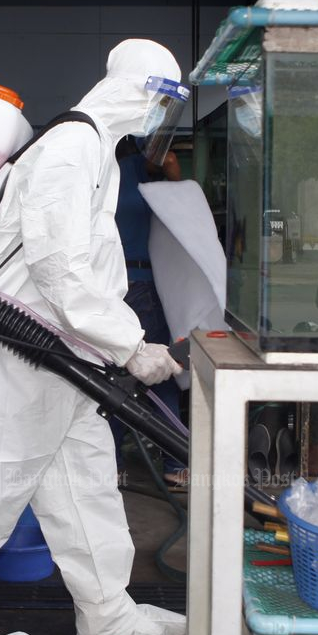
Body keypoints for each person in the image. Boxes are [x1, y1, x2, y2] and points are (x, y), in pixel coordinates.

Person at [0, 38, 189, 635]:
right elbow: (58, 268)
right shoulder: (69, 148)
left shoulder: (99, 155)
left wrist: (109, 346)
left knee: (87, 486)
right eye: (159, 101)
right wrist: (130, 344)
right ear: (140, 89)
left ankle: (107, 612)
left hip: (66, 362)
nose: (155, 119)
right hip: (22, 360)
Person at [113, 135, 186, 484]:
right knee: (162, 372)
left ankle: (110, 465)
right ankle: (176, 464)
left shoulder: (103, 177)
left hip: (110, 286)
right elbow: (175, 173)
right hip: (140, 283)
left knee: (112, 373)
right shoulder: (141, 176)